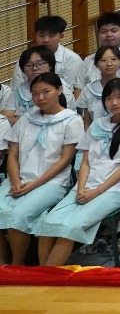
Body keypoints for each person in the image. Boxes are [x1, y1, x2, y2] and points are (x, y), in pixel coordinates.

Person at [34, 78, 120, 266]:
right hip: (85, 187)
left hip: (115, 190)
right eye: (109, 98)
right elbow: (86, 161)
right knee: (48, 224)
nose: (114, 102)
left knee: (70, 227)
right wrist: (81, 187)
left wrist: (96, 192)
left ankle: (48, 277)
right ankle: (42, 274)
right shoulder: (98, 124)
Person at [0, 72, 84, 263]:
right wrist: (15, 181)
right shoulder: (26, 119)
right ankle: (2, 265)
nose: (41, 98)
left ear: (59, 90)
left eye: (46, 92)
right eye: (35, 94)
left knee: (17, 216)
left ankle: (17, 265)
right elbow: (12, 154)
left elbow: (64, 161)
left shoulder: (72, 120)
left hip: (52, 183)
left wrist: (33, 184)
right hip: (18, 179)